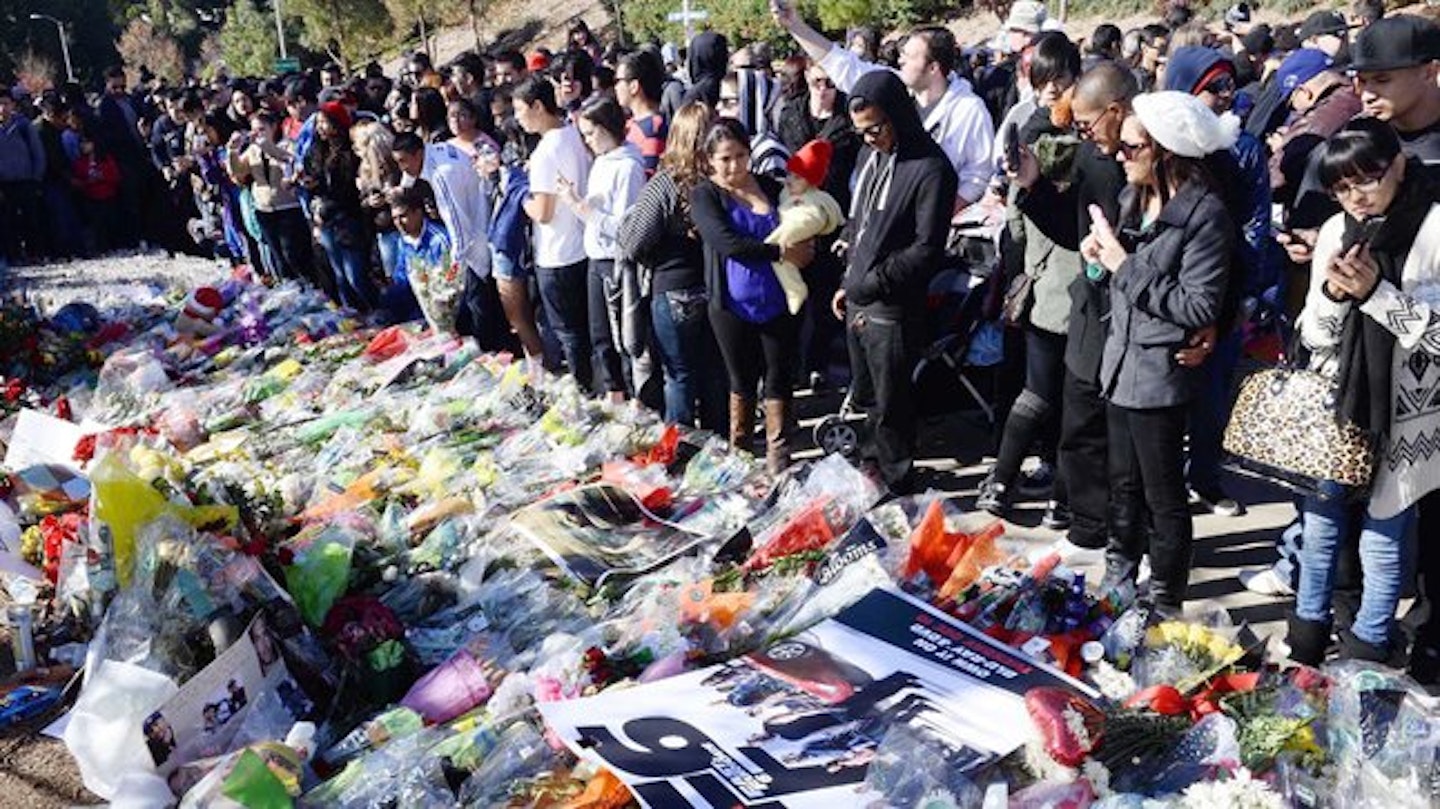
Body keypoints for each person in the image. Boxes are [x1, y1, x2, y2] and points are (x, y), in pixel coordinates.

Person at [1285, 118, 1440, 667]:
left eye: (1366, 180)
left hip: (1410, 412)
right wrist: (1330, 292)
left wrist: (1376, 293)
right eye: (1340, 188)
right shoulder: (1335, 228)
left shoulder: (1434, 227)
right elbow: (1313, 334)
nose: (1355, 197)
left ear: (1398, 163)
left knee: (1384, 535)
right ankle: (1305, 638)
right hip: (1336, 404)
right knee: (1320, 526)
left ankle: (1368, 648)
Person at [1081, 91, 1235, 615]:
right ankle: (1118, 575)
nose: (1119, 155)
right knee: (1121, 484)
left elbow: (1197, 305)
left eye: (1131, 147)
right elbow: (1115, 282)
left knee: (1164, 495)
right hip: (1121, 364)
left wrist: (1122, 264)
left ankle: (1166, 596)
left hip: (1160, 372)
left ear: (1164, 150)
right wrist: (1098, 261)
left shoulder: (1204, 215)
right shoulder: (1133, 198)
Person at [1015, 62, 1136, 552]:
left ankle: (1128, 536)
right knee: (1078, 421)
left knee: (1126, 440)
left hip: (1135, 312)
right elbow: (1073, 229)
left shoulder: (1154, 161)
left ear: (1116, 111)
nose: (1082, 135)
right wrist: (1034, 187)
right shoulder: (1092, 156)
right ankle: (1087, 526)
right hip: (1090, 304)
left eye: (1087, 124)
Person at [834, 71, 958, 494]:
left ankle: (896, 485)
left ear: (897, 116)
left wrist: (870, 283)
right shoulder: (871, 157)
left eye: (875, 128)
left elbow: (927, 250)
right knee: (867, 400)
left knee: (892, 407)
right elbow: (862, 223)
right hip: (857, 301)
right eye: (861, 132)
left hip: (892, 308)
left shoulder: (931, 168)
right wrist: (848, 278)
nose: (869, 138)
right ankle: (872, 475)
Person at [978, 31, 1083, 526]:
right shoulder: (1055, 136)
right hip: (1061, 280)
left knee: (1043, 392)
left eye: (1058, 78)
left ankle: (1005, 484)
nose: (1050, 88)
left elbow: (1017, 216)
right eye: (1041, 78)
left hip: (1041, 280)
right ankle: (1054, 497)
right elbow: (1030, 213)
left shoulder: (1030, 128)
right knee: (1059, 396)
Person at [774, 4, 994, 209]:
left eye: (908, 57)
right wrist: (795, 25)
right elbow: (844, 67)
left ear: (933, 67)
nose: (900, 61)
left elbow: (978, 174)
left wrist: (937, 217)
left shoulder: (969, 110)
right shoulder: (892, 88)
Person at [692, 118, 816, 473]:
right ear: (710, 160)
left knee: (779, 378)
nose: (735, 166)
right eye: (726, 158)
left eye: (742, 155)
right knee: (741, 381)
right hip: (732, 305)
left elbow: (803, 213)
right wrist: (779, 253)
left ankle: (779, 462)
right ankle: (742, 464)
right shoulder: (705, 195)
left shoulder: (771, 185)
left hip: (779, 300)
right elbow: (726, 243)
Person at [618, 102, 729, 431]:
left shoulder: (665, 185)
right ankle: (719, 447)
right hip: (717, 289)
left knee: (679, 377)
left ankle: (680, 452)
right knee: (714, 373)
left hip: (674, 290)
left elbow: (634, 243)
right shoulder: (725, 182)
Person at [559, 97, 647, 402]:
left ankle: (630, 397)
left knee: (622, 338)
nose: (587, 142)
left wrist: (581, 208)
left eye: (590, 133)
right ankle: (613, 393)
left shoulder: (627, 167)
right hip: (596, 258)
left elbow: (625, 227)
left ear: (608, 128)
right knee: (600, 336)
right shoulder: (602, 161)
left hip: (615, 261)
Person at [515, 74, 594, 387]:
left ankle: (582, 390)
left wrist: (520, 196)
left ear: (537, 106)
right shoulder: (573, 134)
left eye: (520, 110)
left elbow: (544, 213)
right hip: (580, 245)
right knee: (584, 329)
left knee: (569, 333)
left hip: (557, 253)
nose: (517, 119)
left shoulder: (544, 151)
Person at [392, 132, 500, 347]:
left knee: (481, 312)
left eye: (404, 161)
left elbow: (457, 222)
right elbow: (409, 177)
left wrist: (455, 265)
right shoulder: (436, 152)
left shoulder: (442, 174)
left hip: (474, 243)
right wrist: (403, 189)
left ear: (418, 154)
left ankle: (495, 354)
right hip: (478, 230)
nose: (402, 168)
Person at [300, 102, 375, 311]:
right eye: (318, 123)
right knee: (339, 275)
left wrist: (322, 187)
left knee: (355, 276)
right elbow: (313, 176)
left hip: (347, 219)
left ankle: (376, 311)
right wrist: (308, 183)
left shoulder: (349, 152)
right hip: (324, 220)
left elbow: (348, 188)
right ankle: (354, 316)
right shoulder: (315, 151)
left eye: (325, 122)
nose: (321, 127)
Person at [227, 110, 314, 283]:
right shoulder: (252, 150)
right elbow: (238, 171)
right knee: (278, 256)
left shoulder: (287, 145)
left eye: (261, 129)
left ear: (273, 127)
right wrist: (232, 151)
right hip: (264, 209)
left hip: (288, 207)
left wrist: (267, 146)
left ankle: (309, 284)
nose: (257, 134)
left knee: (293, 253)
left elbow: (290, 161)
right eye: (254, 130)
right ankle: (289, 288)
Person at [765, 139, 844, 315]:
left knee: (772, 246)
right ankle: (794, 290)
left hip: (804, 224)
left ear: (810, 181)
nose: (790, 181)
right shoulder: (787, 192)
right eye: (789, 174)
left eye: (798, 177)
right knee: (780, 259)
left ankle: (795, 290)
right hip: (795, 231)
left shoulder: (817, 199)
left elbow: (816, 217)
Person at [390, 183, 463, 335]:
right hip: (417, 312)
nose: (399, 223)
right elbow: (401, 277)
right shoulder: (403, 241)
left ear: (418, 212)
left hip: (446, 312)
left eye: (403, 216)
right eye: (395, 218)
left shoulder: (439, 239)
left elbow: (450, 283)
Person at [0, 90, 47, 263]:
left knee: (31, 220)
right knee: (8, 222)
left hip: (26, 180)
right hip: (4, 184)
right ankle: (13, 256)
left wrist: (37, 177)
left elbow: (37, 152)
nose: (2, 108)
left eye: (5, 103)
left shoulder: (23, 125)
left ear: (12, 105)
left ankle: (35, 253)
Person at [719, 69, 789, 178]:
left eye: (727, 102)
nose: (718, 107)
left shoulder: (771, 154)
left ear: (751, 103)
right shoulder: (737, 143)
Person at [615, 50, 670, 175]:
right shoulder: (630, 123)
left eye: (618, 81)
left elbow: (649, 177)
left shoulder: (653, 127)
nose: (616, 87)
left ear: (634, 86)